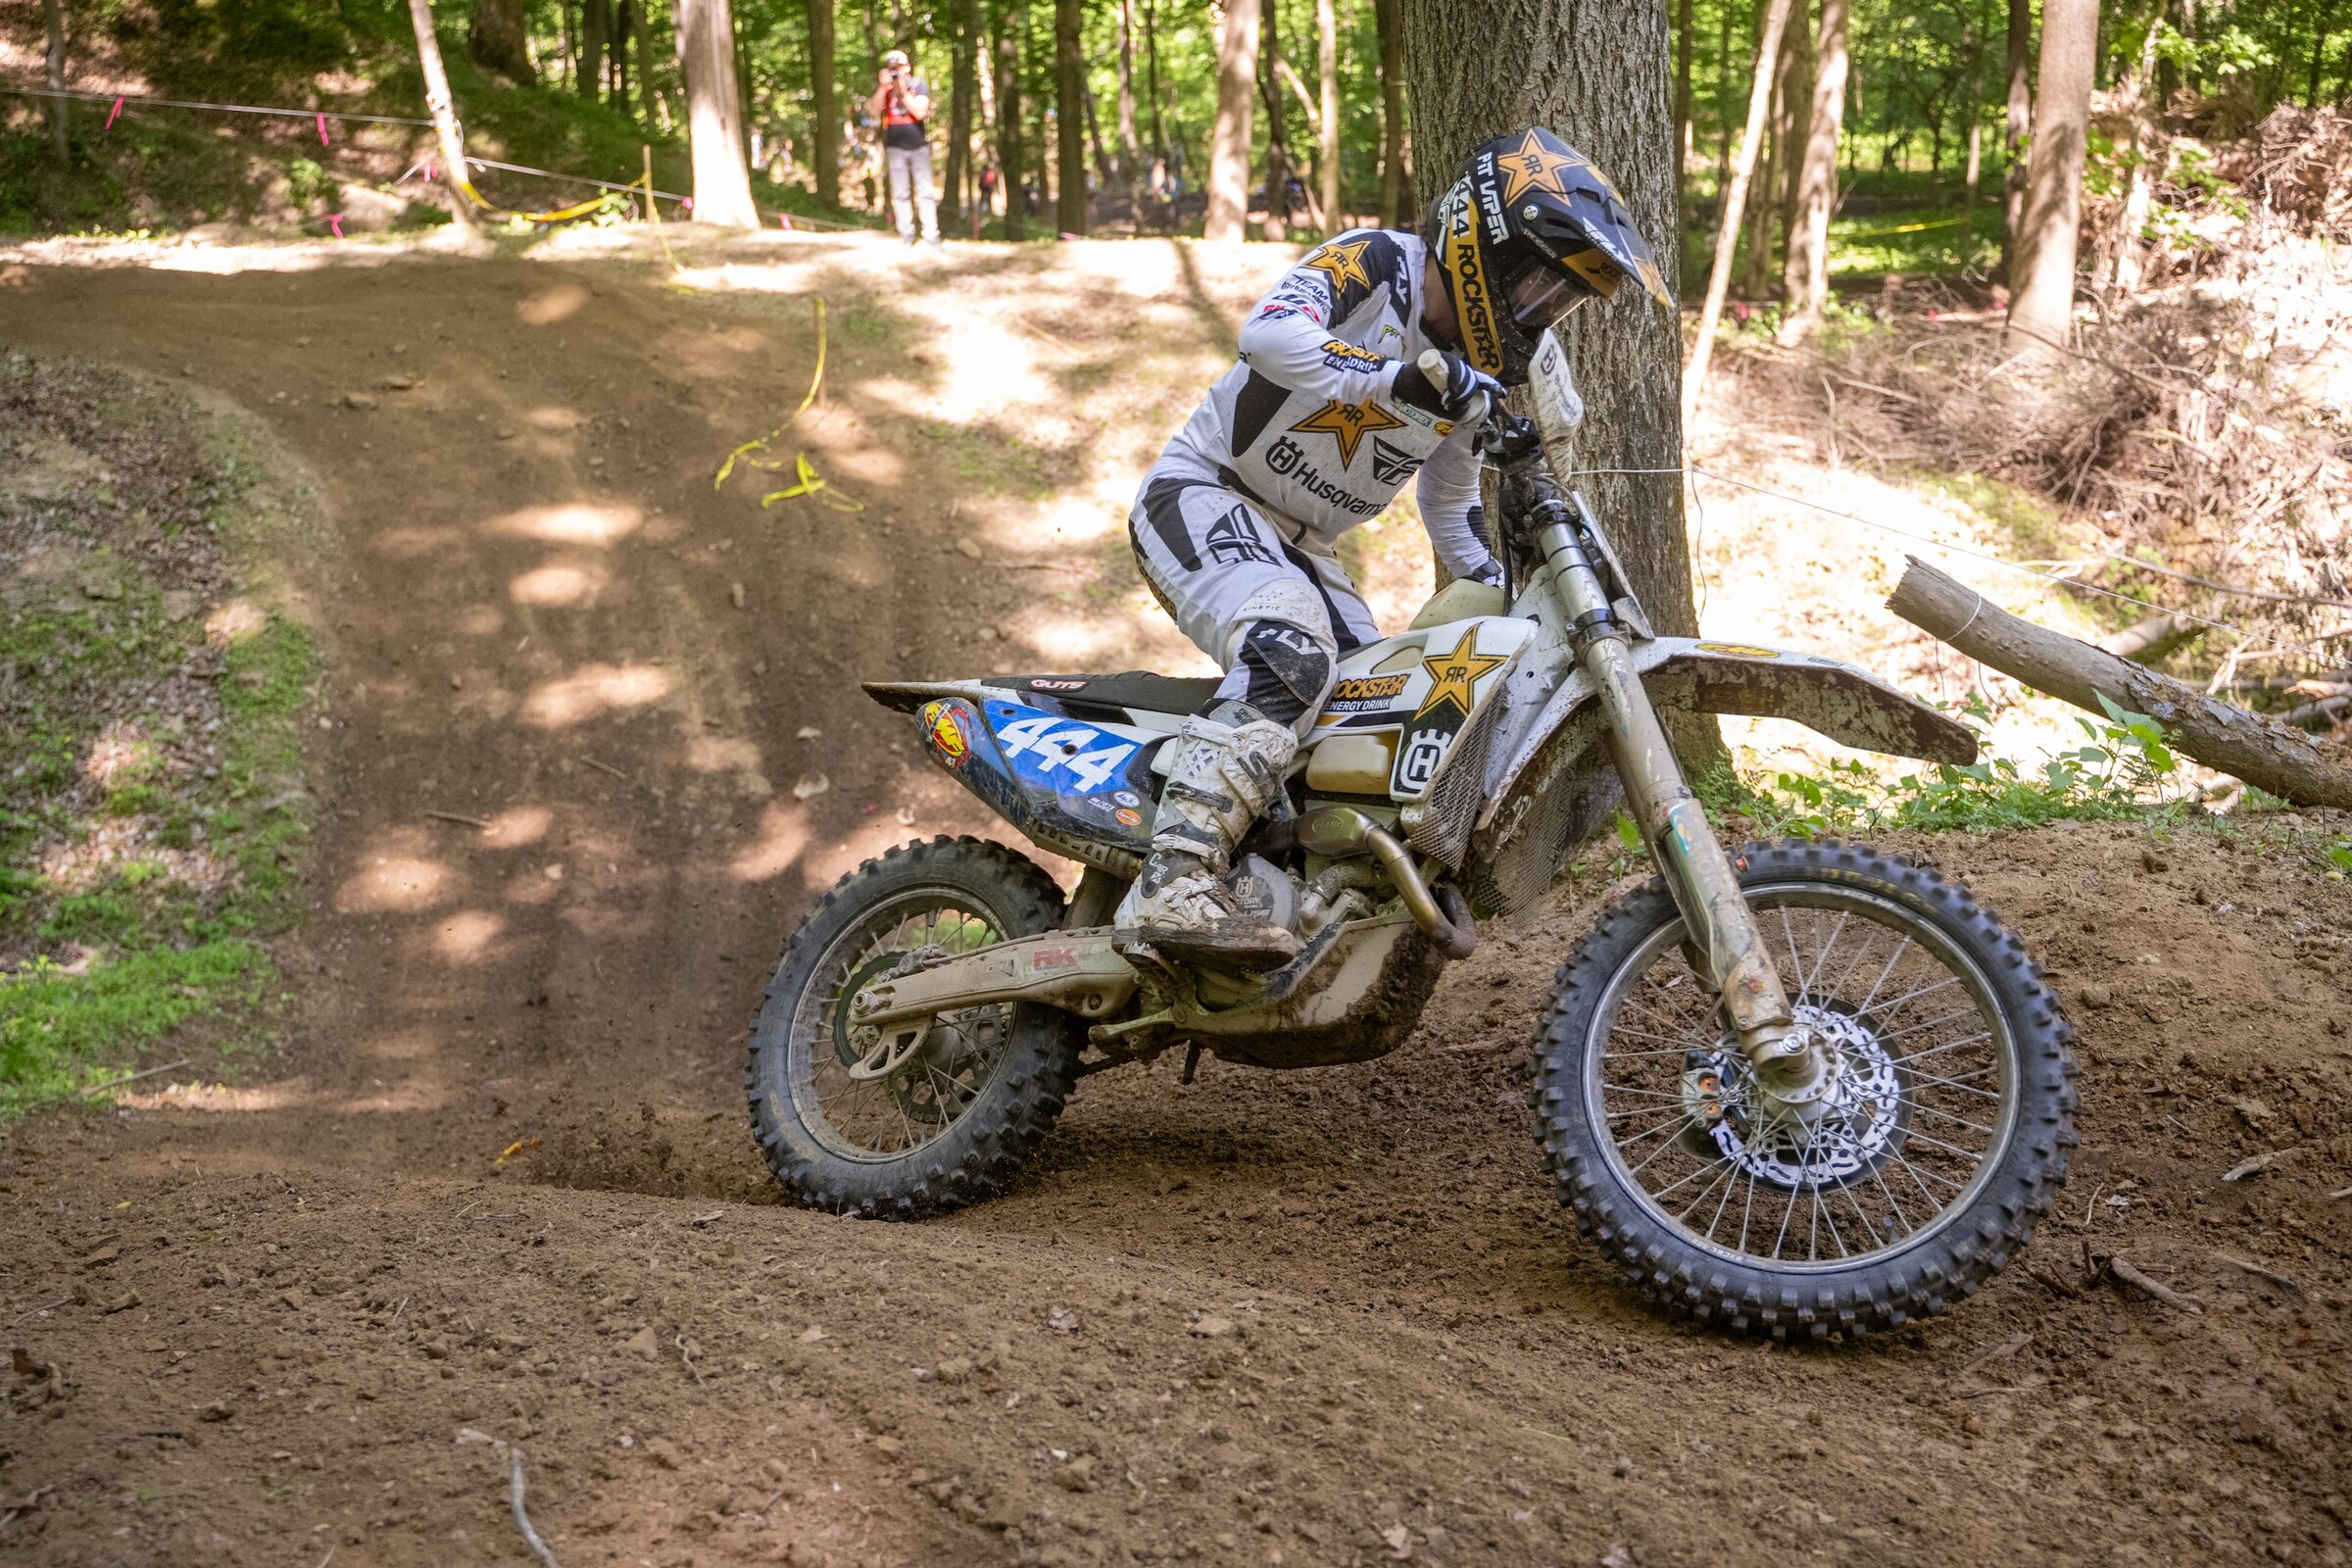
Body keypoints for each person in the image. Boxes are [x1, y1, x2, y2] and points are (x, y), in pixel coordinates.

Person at [1115, 126, 1673, 964]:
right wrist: (1389, 380)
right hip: (1205, 493)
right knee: (1291, 655)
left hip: (1310, 549)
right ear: (1480, 238)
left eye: (1558, 301)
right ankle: (1171, 878)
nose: (1541, 312)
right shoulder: (1377, 264)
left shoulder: (1468, 372)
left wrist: (1493, 576)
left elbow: (1447, 497)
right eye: (1536, 285)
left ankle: (1277, 890)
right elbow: (1267, 335)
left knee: (1373, 713)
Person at [867, 48, 940, 247]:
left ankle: (931, 234)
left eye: (898, 67)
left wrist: (903, 91)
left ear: (907, 67)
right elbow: (873, 111)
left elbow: (919, 112)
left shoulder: (919, 85)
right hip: (895, 147)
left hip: (918, 146)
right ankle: (906, 234)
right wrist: (883, 88)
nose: (895, 71)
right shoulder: (886, 89)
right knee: (900, 192)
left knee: (925, 191)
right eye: (891, 68)